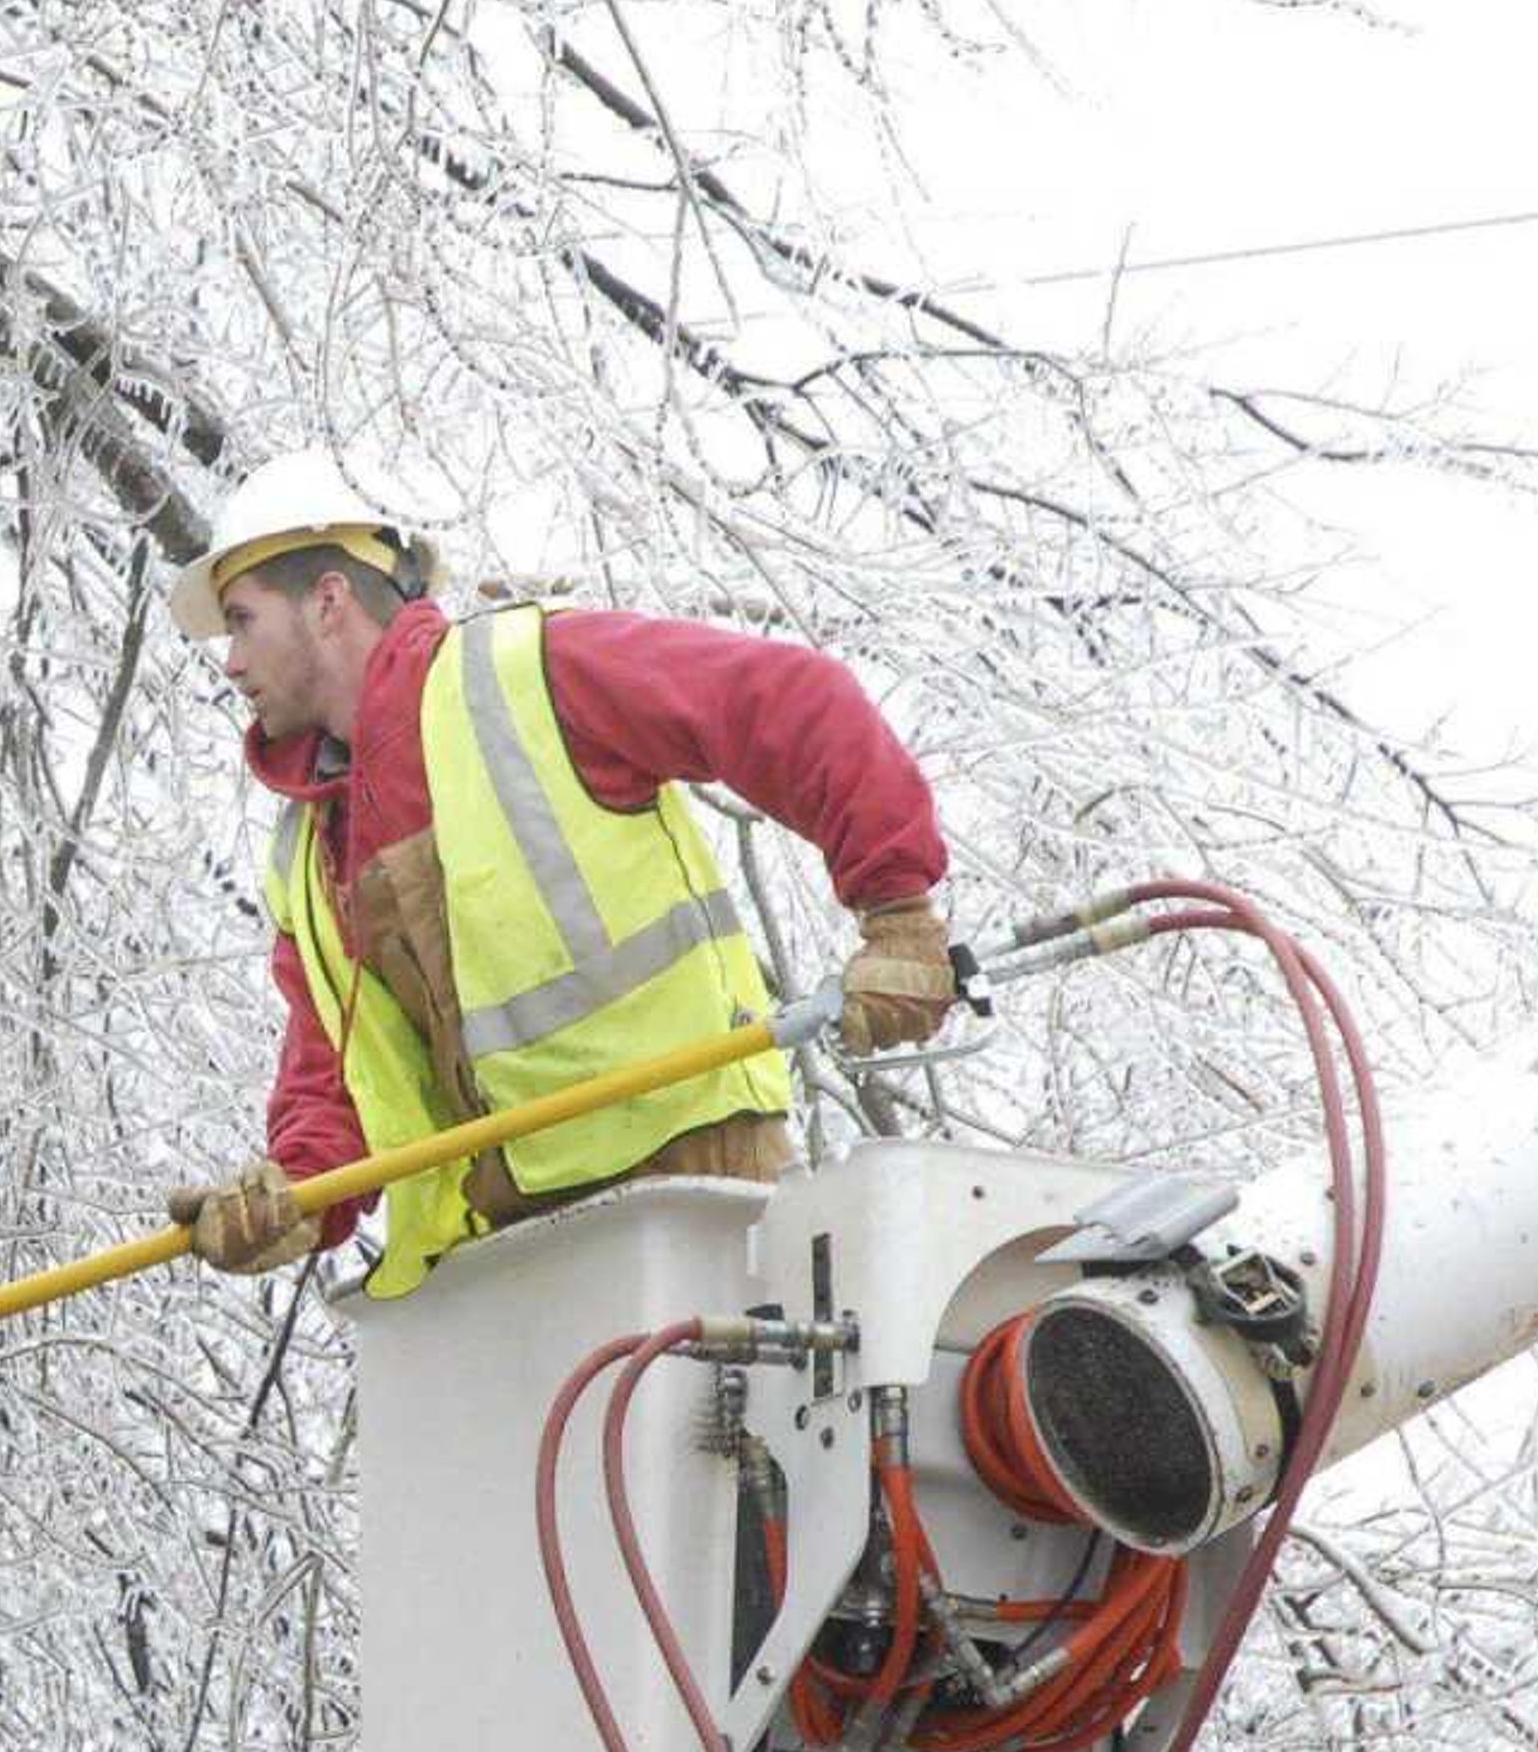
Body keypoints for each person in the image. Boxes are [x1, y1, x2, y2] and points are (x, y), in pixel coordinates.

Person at [164, 452, 958, 1297]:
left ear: (326, 601)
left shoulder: (524, 674)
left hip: (688, 1184)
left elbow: (791, 701)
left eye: (242, 622)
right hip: (512, 1243)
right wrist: (296, 1193)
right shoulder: (307, 854)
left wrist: (898, 912)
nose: (232, 664)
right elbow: (339, 1076)